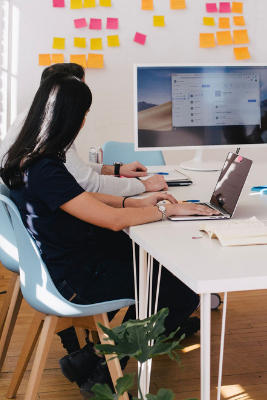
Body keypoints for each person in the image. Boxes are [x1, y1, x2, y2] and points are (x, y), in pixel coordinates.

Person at [0, 73, 219, 397]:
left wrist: (135, 200)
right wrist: (165, 211)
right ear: (72, 116)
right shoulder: (46, 167)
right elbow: (114, 220)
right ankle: (100, 366)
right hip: (75, 279)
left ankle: (92, 360)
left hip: (60, 266)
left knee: (155, 272)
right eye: (85, 114)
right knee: (179, 292)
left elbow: (83, 198)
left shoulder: (27, 158)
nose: (86, 120)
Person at [0, 63, 167, 196]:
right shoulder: (48, 131)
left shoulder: (32, 119)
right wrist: (144, 185)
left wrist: (117, 170)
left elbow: (69, 167)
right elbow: (89, 184)